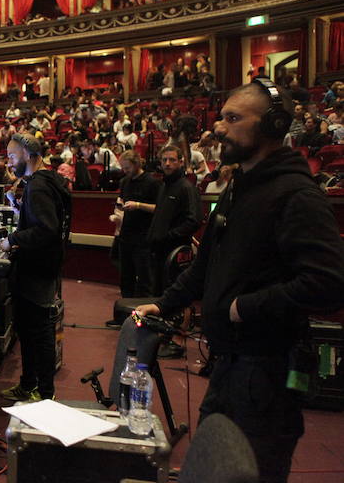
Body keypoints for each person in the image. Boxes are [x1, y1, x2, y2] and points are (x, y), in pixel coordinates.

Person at [136, 83, 344, 483]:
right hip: (229, 366)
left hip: (266, 374)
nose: (218, 128)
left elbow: (328, 282)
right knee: (213, 464)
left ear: (273, 124)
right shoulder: (239, 187)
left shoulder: (295, 195)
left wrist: (244, 307)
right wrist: (164, 304)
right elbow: (205, 266)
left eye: (233, 119)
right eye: (221, 117)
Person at [0, 133, 71, 403]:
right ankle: (29, 384)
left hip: (37, 269)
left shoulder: (38, 186)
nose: (9, 162)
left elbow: (47, 230)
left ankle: (42, 394)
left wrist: (13, 240)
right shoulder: (45, 180)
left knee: (38, 333)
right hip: (43, 266)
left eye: (12, 156)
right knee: (28, 330)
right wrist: (19, 209)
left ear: (29, 156)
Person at [145, 145, 201, 296]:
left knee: (171, 296)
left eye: (172, 160)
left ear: (181, 162)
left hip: (175, 253)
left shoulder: (186, 187)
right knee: (156, 294)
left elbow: (194, 220)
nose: (167, 163)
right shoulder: (163, 186)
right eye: (164, 160)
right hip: (158, 252)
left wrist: (168, 236)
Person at [111, 151, 160, 309]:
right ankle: (125, 312)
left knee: (145, 278)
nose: (125, 171)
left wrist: (138, 205)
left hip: (144, 236)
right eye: (123, 168)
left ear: (137, 164)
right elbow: (121, 202)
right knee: (126, 277)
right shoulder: (125, 181)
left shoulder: (152, 182)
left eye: (128, 167)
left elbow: (159, 209)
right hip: (126, 235)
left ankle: (145, 315)